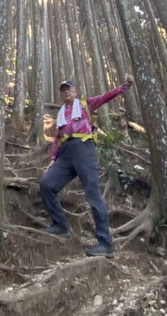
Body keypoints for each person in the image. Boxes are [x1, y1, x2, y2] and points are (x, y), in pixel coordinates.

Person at [39, 74, 134, 257]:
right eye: (63, 90)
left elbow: (106, 96)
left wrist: (126, 86)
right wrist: (52, 159)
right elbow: (57, 139)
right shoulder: (60, 115)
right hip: (65, 154)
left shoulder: (84, 104)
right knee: (47, 184)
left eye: (69, 89)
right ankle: (60, 225)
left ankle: (105, 243)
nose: (66, 92)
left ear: (75, 92)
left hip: (84, 148)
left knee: (93, 194)